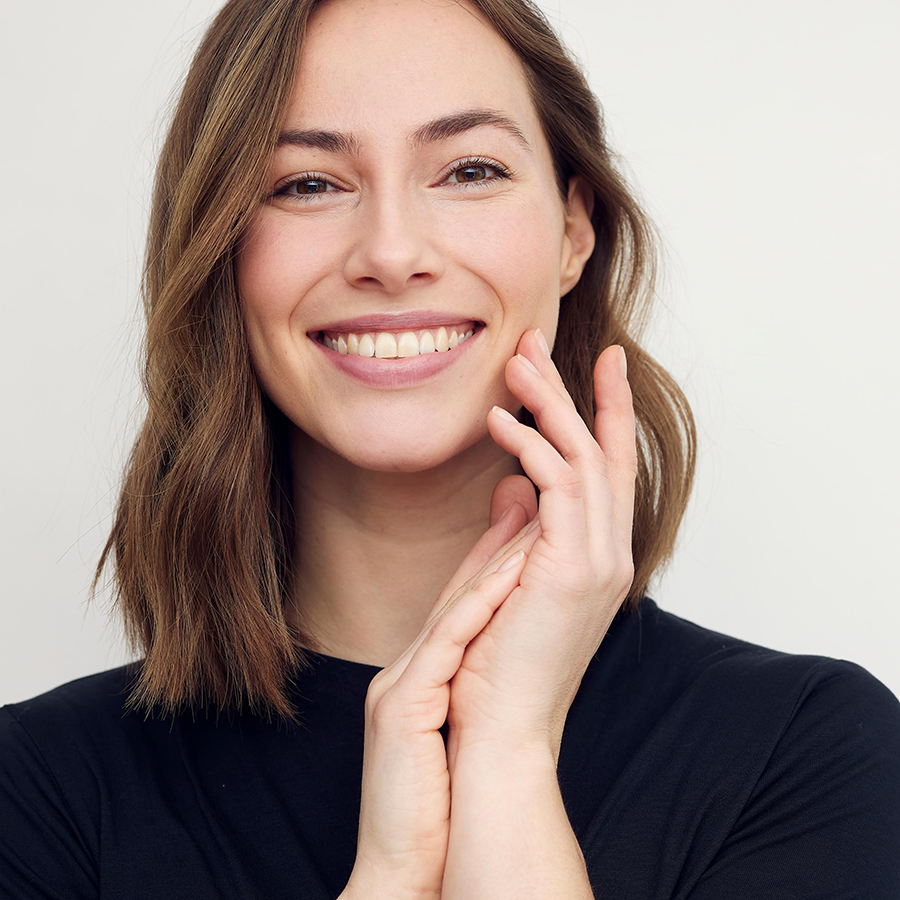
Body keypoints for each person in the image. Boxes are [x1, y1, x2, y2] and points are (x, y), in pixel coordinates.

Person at [1, 0, 898, 897]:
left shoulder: (809, 753)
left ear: (573, 234)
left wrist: (507, 750)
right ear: (218, 247)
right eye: (307, 183)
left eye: (470, 170)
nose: (392, 253)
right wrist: (389, 875)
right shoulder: (35, 796)